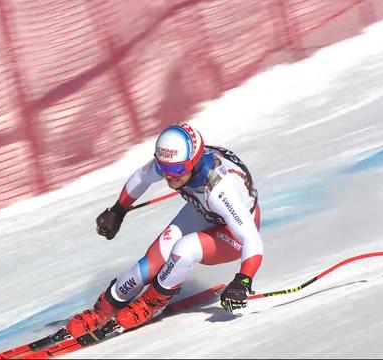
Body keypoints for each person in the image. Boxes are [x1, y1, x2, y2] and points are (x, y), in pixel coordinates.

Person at [66, 122, 263, 338]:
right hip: (203, 211)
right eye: (165, 169)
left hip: (233, 232)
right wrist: (118, 210)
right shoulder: (174, 160)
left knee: (185, 250)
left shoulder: (220, 190)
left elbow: (251, 238)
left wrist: (243, 280)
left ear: (194, 163)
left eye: (177, 170)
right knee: (149, 264)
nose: (169, 177)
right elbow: (141, 177)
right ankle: (103, 310)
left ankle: (151, 302)